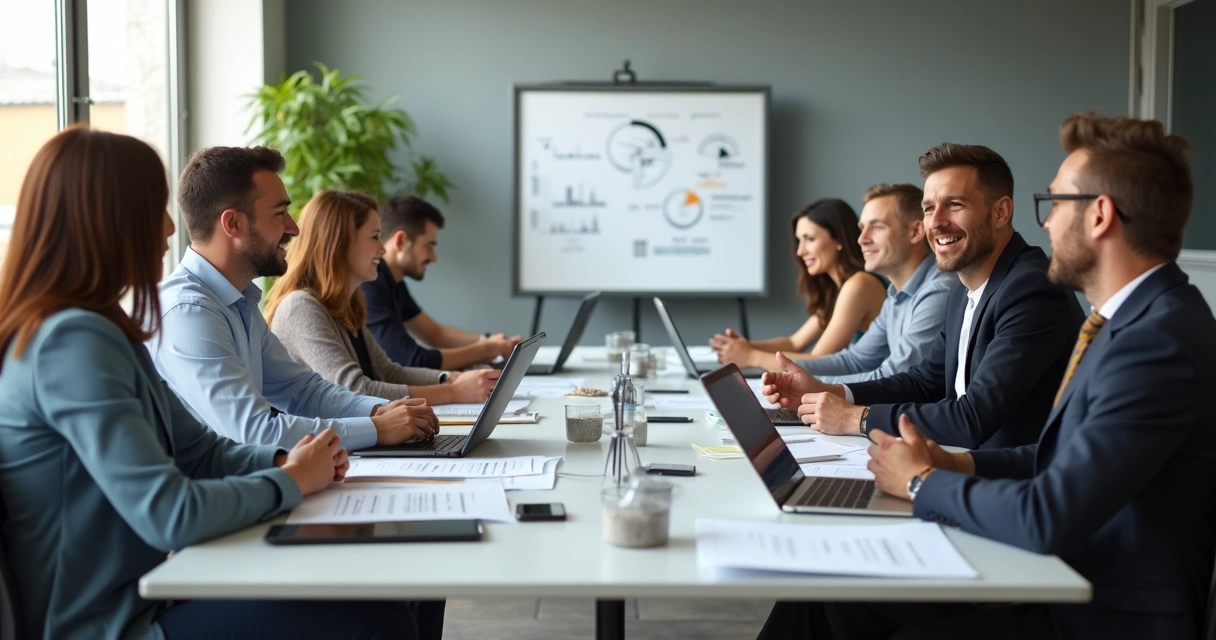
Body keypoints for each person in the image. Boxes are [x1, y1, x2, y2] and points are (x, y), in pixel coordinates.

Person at [762, 112, 1216, 640]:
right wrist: (952, 461)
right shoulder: (1131, 320)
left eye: (1054, 203)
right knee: (824, 591)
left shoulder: (1155, 342)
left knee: (852, 604)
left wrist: (920, 481)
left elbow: (1048, 513)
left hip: (1097, 609)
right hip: (1063, 570)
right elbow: (1056, 455)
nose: (1045, 223)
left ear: (1099, 216)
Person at [0, 127, 421, 639]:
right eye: (153, 208)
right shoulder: (69, 343)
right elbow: (169, 513)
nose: (167, 227)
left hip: (156, 594)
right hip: (114, 625)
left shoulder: (105, 328)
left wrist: (284, 462)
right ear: (103, 220)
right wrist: (291, 480)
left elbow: (201, 452)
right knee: (375, 615)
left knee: (377, 588)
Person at [763, 144, 1083, 449]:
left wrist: (855, 418)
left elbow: (973, 417)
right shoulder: (963, 289)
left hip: (1016, 477)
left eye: (955, 204)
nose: (937, 222)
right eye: (929, 208)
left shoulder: (1031, 287)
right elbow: (923, 382)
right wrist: (830, 392)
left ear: (1001, 212)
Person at [148, 146, 438, 451]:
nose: (294, 228)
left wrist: (379, 411)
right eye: (279, 213)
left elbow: (303, 390)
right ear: (232, 223)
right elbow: (255, 433)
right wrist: (377, 428)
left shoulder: (239, 301)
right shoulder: (189, 313)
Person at [265, 189, 500, 403]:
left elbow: (388, 372)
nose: (383, 248)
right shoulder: (300, 307)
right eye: (375, 236)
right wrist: (454, 392)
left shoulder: (347, 304)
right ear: (340, 242)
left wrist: (451, 378)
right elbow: (354, 389)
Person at [792, 183, 955, 383]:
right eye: (862, 229)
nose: (861, 239)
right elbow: (854, 361)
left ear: (915, 232)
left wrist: (810, 384)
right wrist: (786, 372)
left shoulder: (939, 290)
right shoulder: (895, 295)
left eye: (877, 227)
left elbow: (896, 376)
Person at [711, 198, 887, 368]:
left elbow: (820, 361)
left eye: (809, 239)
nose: (800, 251)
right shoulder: (838, 288)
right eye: (799, 240)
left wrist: (750, 357)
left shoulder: (859, 284)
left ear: (839, 240)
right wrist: (742, 347)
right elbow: (794, 343)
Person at [363, 195, 521, 370]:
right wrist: (487, 349)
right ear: (400, 241)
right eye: (429, 246)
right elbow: (411, 359)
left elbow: (436, 334)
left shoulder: (394, 283)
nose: (433, 258)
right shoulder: (370, 285)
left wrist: (491, 341)